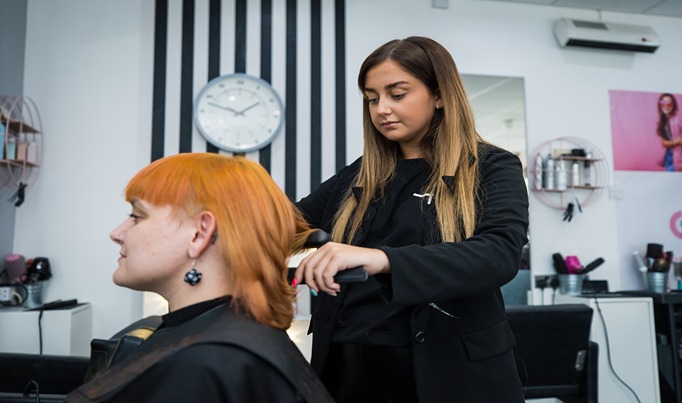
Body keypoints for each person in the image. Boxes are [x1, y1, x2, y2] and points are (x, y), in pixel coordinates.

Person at [293, 36, 529, 403]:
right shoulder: (356, 176)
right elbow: (288, 224)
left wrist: (381, 259)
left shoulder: (491, 167)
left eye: (397, 94)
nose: (381, 109)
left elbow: (499, 254)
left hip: (451, 376)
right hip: (350, 371)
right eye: (372, 98)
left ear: (438, 95)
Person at [65, 153, 333, 402]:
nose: (117, 233)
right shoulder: (227, 345)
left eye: (137, 216)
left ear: (200, 234)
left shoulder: (207, 362)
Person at [656, 93, 682, 171]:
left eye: (669, 103)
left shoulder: (678, 120)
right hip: (668, 157)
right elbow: (664, 143)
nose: (666, 106)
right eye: (663, 103)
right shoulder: (663, 122)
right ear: (660, 105)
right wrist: (676, 141)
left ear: (673, 105)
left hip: (678, 156)